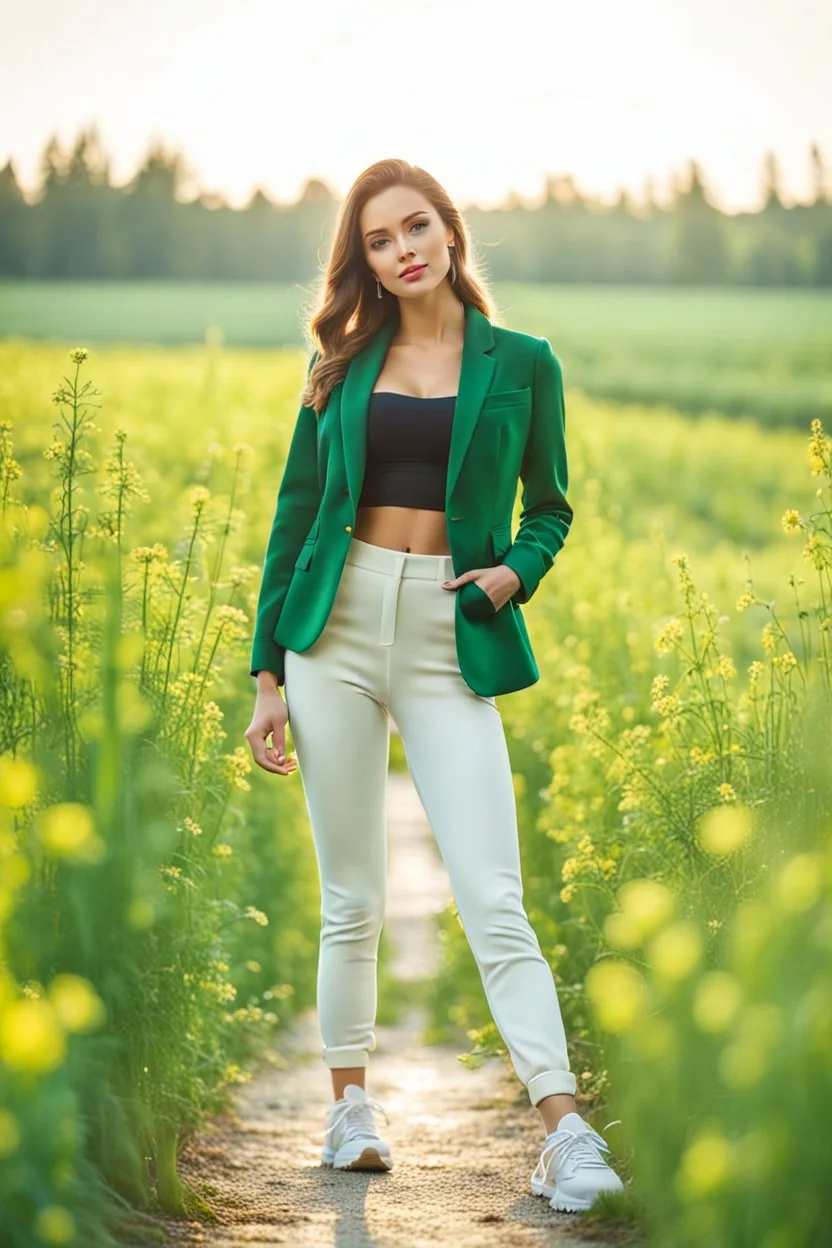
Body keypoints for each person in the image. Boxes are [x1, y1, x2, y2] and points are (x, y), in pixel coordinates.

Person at [244, 158, 624, 1214]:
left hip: (453, 628)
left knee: (494, 897)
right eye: (377, 239)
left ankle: (564, 1130)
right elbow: (296, 513)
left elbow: (549, 505)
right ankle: (350, 1109)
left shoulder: (524, 363)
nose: (401, 249)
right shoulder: (341, 360)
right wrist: (268, 670)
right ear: (361, 259)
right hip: (337, 625)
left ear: (449, 231)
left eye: (415, 227)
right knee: (352, 896)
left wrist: (517, 569)